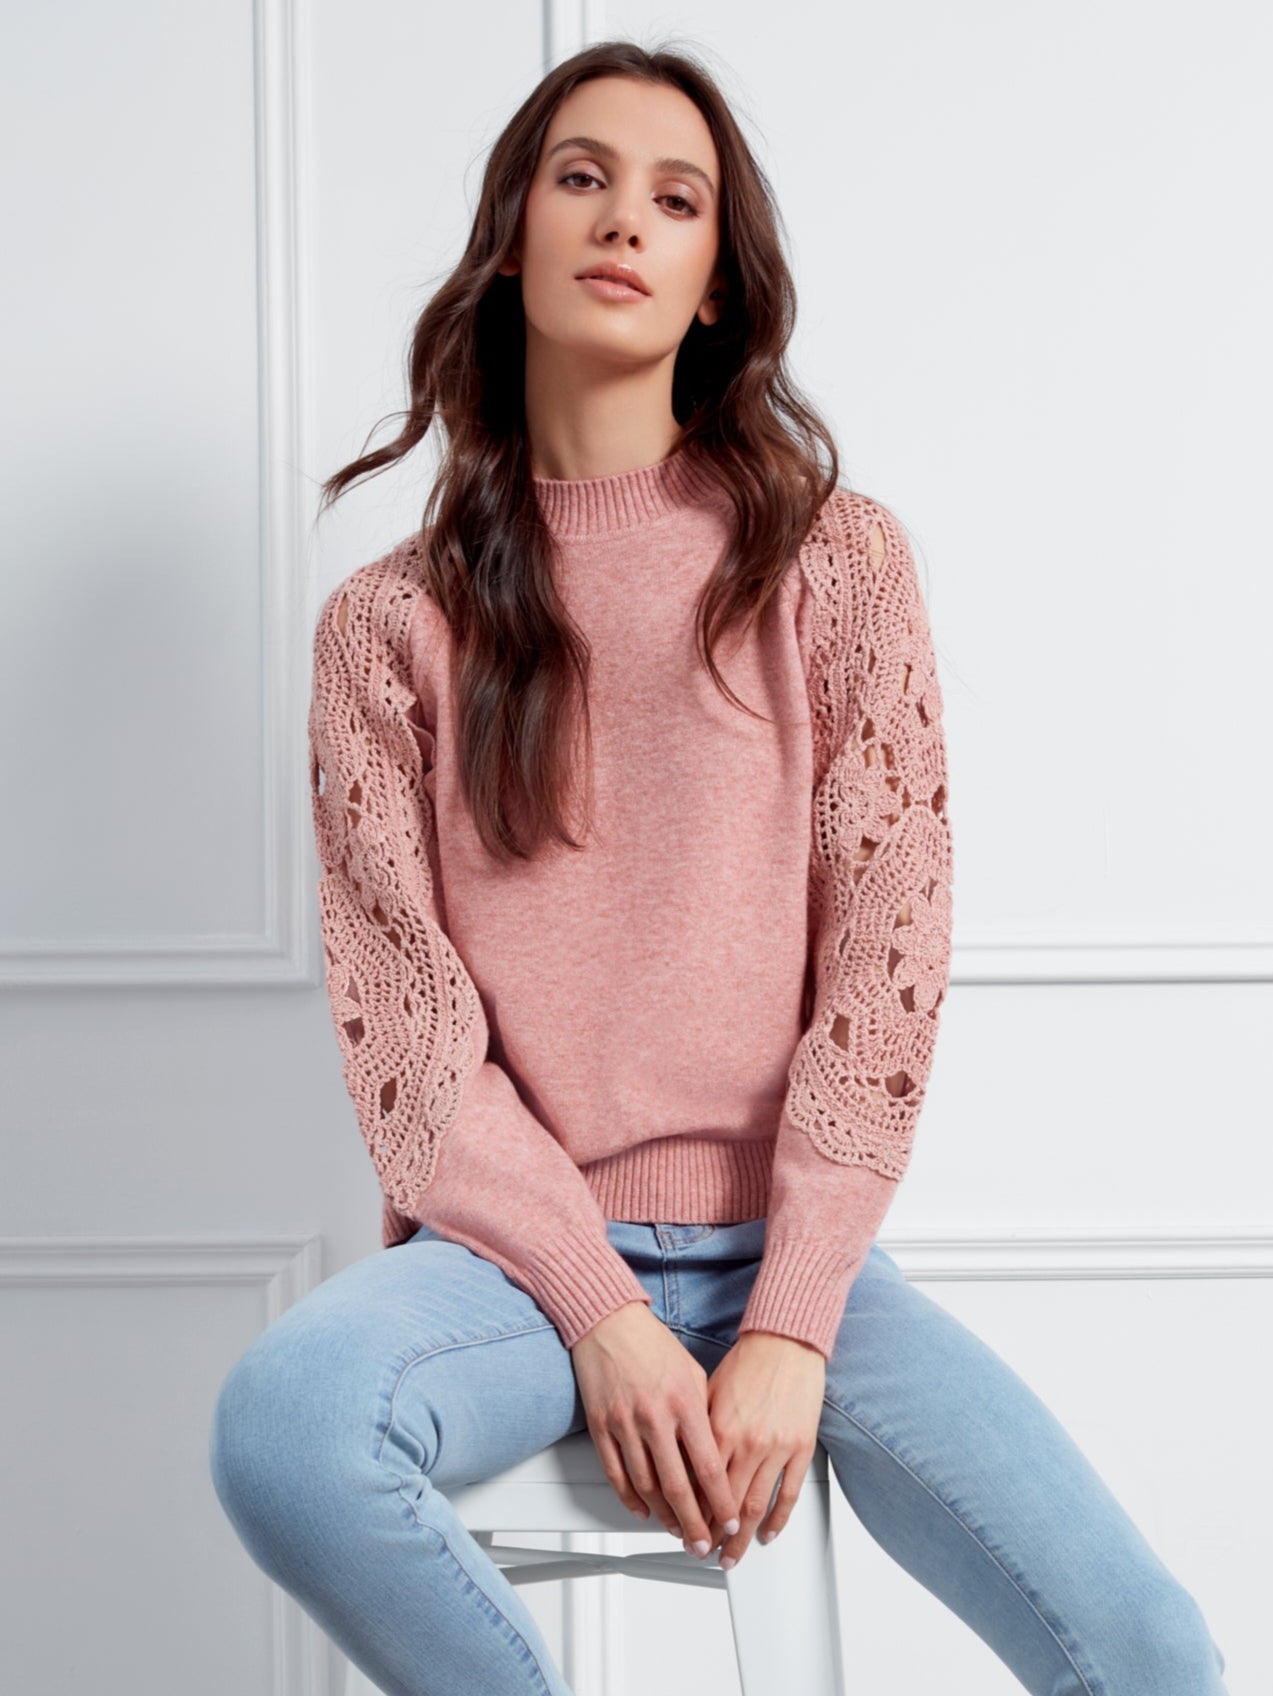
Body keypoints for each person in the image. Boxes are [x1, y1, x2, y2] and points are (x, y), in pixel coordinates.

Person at [208, 38, 1229, 1696]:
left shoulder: (833, 564)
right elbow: (411, 1037)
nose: (624, 218)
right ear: (512, 240)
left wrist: (794, 1317)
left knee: (1147, 1650)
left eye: (675, 199)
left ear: (714, 288)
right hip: (511, 1273)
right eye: (582, 177)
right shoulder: (385, 628)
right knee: (285, 1429)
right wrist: (598, 1309)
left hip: (791, 1249)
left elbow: (883, 967)